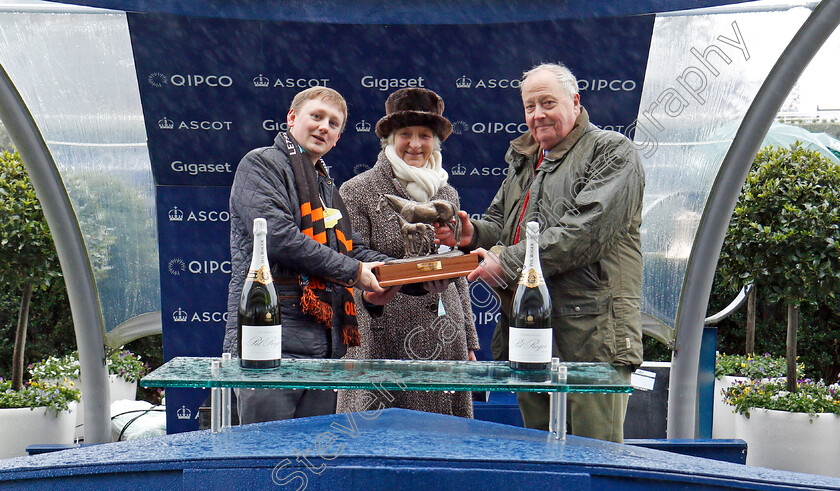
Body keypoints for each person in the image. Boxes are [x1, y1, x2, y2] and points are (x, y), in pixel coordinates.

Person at [435, 63, 645, 442]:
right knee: (540, 453)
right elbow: (501, 222)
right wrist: (471, 234)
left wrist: (508, 259)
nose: (538, 115)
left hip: (592, 335)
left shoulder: (612, 150)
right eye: (530, 107)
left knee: (592, 459)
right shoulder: (526, 158)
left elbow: (586, 232)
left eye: (548, 102)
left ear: (575, 101)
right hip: (530, 330)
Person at [223, 86, 400, 424]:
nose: (324, 127)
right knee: (266, 458)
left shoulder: (326, 187)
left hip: (323, 349)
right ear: (292, 119)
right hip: (270, 345)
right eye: (316, 117)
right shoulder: (261, 164)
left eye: (334, 124)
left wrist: (409, 273)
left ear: (337, 138)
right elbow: (279, 238)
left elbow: (351, 247)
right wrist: (354, 272)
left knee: (307, 464)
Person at [337, 88, 480, 418]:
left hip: (445, 336)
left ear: (435, 142)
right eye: (406, 134)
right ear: (389, 139)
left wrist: (469, 340)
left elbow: (456, 268)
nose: (415, 144)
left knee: (444, 445)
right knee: (378, 444)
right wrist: (416, 273)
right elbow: (354, 260)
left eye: (424, 135)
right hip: (383, 334)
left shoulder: (447, 194)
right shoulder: (357, 190)